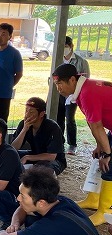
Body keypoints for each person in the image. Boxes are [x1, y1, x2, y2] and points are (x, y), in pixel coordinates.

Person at [52, 63, 112, 226]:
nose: (59, 89)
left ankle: (106, 210)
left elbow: (97, 126)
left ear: (72, 80)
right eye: (56, 85)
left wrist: (107, 153)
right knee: (99, 157)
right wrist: (100, 147)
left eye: (60, 84)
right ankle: (94, 199)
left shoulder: (87, 93)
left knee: (108, 165)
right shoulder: (82, 90)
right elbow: (93, 123)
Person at [11, 97, 67, 175]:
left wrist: (27, 157)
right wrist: (24, 130)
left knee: (43, 170)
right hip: (35, 154)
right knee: (9, 154)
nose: (27, 114)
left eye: (31, 112)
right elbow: (13, 148)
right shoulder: (24, 124)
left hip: (54, 160)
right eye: (26, 110)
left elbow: (51, 156)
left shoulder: (52, 127)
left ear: (41, 114)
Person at [56, 36, 90, 155]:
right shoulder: (58, 59)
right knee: (58, 118)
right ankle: (59, 142)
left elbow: (86, 79)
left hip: (73, 95)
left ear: (71, 46)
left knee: (69, 118)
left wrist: (76, 95)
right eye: (63, 47)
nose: (64, 49)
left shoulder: (81, 61)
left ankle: (72, 144)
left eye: (66, 46)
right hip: (59, 93)